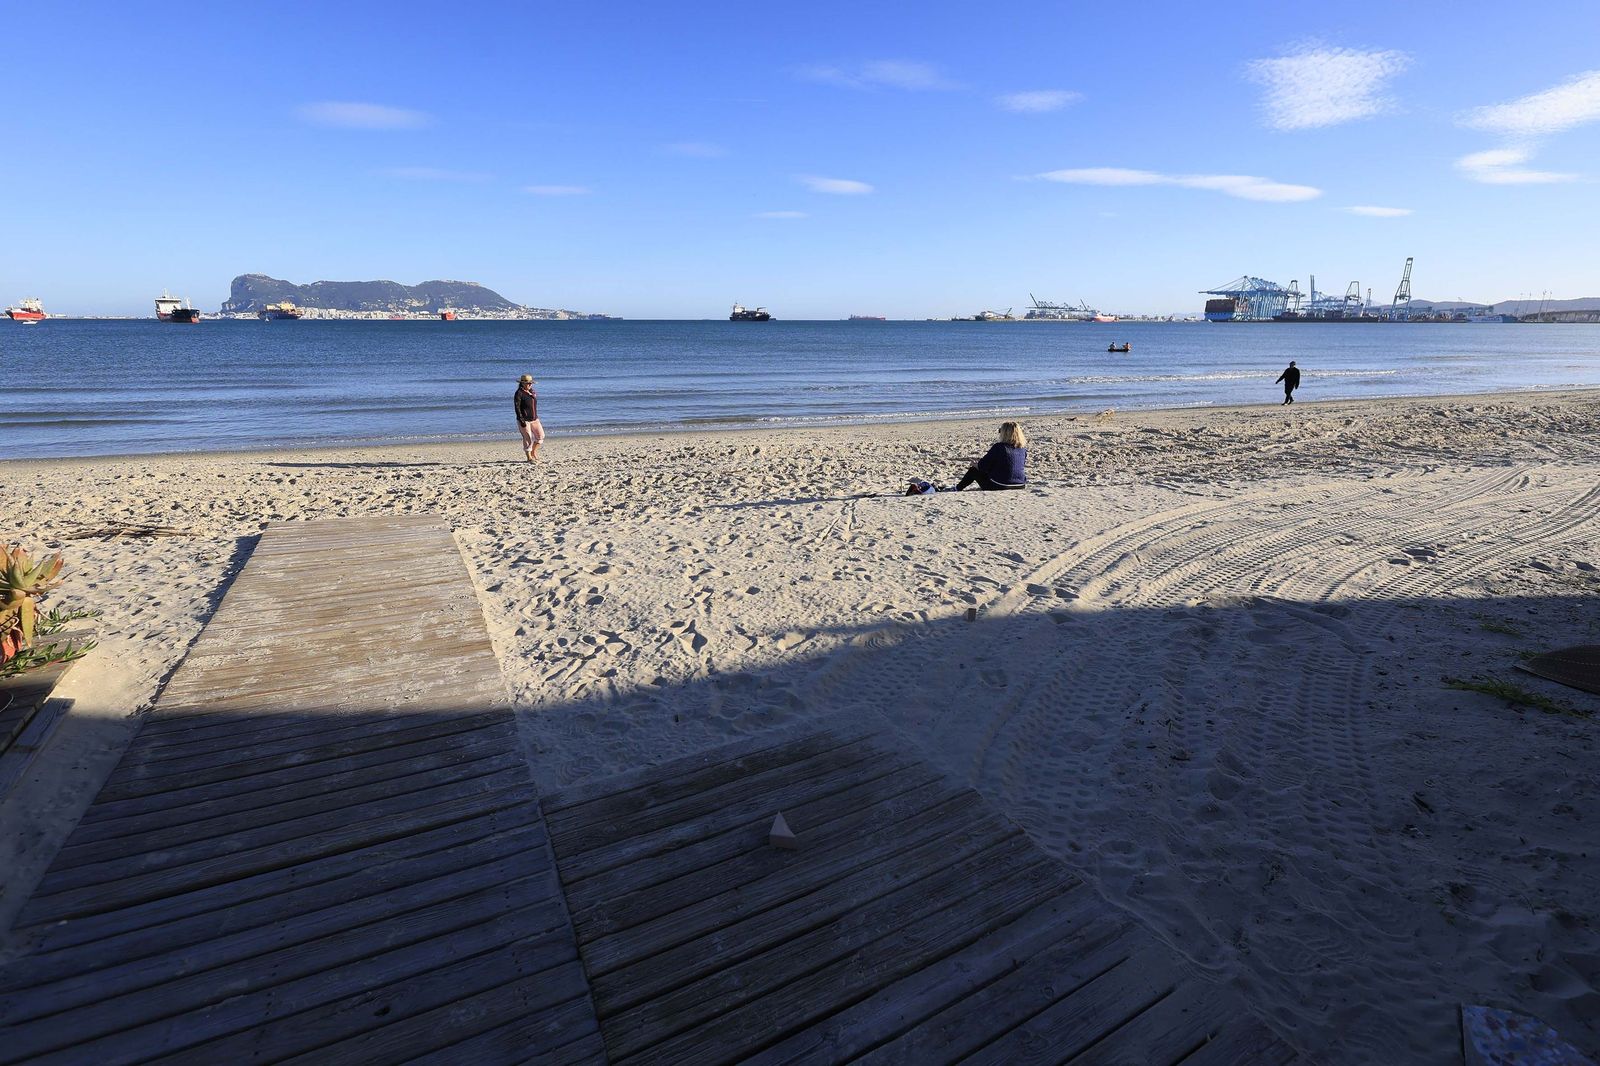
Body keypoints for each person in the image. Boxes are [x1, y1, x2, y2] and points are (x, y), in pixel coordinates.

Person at [953, 421, 1028, 491]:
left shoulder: (999, 447)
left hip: (1000, 485)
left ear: (1004, 434)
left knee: (973, 471)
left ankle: (957, 488)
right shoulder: (1022, 449)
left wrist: (975, 464)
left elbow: (983, 466)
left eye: (1000, 431)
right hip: (1020, 484)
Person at [513, 374, 544, 461]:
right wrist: (521, 420)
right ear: (522, 383)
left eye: (531, 383)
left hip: (534, 419)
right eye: (528, 383)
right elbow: (517, 407)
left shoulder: (532, 392)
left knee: (541, 436)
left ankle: (533, 452)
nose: (530, 385)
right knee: (528, 439)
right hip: (524, 420)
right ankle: (529, 457)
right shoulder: (519, 393)